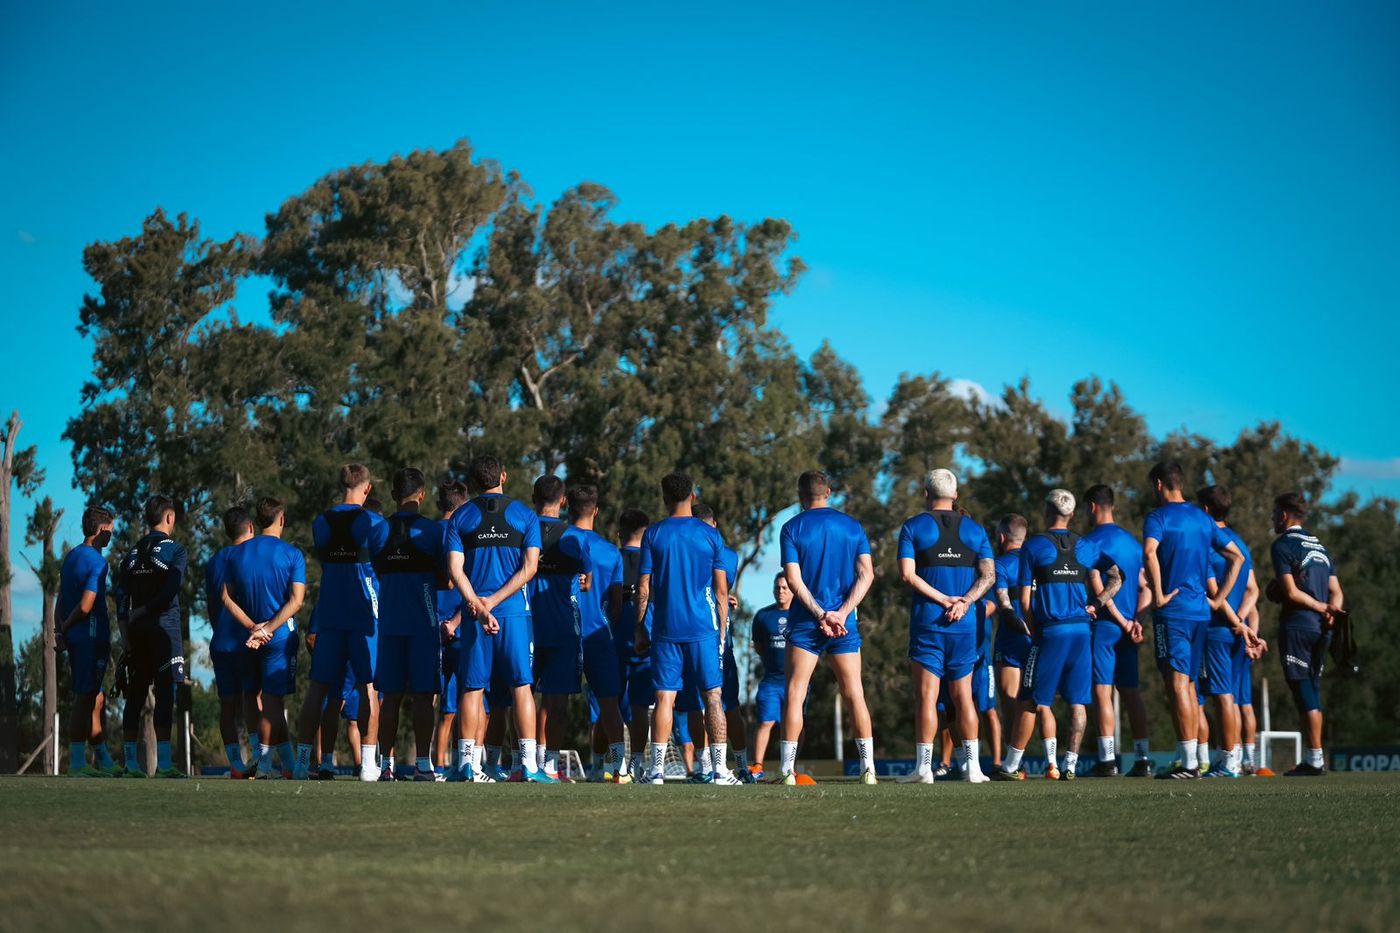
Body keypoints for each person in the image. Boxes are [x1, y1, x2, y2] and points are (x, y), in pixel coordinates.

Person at [997, 490, 1115, 782]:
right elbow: (1116, 576)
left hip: (1051, 631)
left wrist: (1035, 629)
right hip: (1081, 631)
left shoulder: (1034, 546)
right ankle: (1070, 766)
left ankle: (1011, 766)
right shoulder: (1085, 546)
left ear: (1046, 511)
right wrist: (1097, 604)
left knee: (1029, 697)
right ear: (1072, 515)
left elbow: (1024, 602)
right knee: (1078, 701)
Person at [443, 455, 548, 783]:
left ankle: (466, 766)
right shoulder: (524, 515)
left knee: (472, 688)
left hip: (475, 615)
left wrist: (478, 603)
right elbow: (530, 569)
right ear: (503, 475)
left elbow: (454, 570)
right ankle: (528, 767)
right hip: (513, 613)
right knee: (521, 685)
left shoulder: (460, 517)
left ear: (473, 482)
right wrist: (494, 602)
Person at [634, 471, 740, 785]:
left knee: (664, 699)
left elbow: (643, 589)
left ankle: (655, 772)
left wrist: (640, 628)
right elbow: (721, 591)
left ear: (665, 498)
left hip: (665, 628)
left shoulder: (653, 534)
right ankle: (721, 770)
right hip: (703, 628)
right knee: (713, 696)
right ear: (693, 496)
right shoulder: (710, 535)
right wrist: (721, 630)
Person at [1142, 461, 1246, 779]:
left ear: (1159, 485)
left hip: (1172, 612)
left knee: (1177, 685)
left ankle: (1188, 763)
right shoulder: (1203, 518)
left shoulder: (1158, 517)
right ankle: (1190, 759)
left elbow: (1149, 553)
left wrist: (1158, 595)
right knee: (1187, 685)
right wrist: (1217, 599)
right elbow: (1236, 557)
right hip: (1201, 613)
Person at [777, 470, 877, 785]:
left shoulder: (791, 527)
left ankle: (786, 772)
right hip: (844, 625)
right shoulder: (853, 526)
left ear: (800, 494)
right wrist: (842, 613)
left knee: (794, 694)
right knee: (854, 694)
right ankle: (868, 770)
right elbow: (867, 575)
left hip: (807, 622)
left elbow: (793, 579)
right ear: (829, 492)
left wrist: (822, 613)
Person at [895, 469, 994, 784]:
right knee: (963, 695)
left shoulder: (913, 527)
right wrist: (964, 602)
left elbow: (907, 575)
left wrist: (943, 600)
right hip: (966, 626)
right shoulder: (977, 531)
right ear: (956, 495)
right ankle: (974, 769)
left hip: (929, 623)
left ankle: (924, 769)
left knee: (926, 696)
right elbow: (989, 576)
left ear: (926, 493)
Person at [294, 464, 390, 781]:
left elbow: (326, 558)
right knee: (369, 689)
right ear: (368, 488)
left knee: (318, 689)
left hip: (330, 614)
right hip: (363, 616)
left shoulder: (321, 522)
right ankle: (366, 765)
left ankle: (303, 762)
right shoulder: (375, 523)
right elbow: (382, 568)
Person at [373, 468, 450, 783]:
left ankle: (385, 766)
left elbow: (377, 571)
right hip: (423, 622)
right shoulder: (433, 532)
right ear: (422, 494)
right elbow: (446, 580)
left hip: (390, 622)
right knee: (423, 696)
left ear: (393, 495)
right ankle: (423, 765)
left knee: (389, 697)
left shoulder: (377, 531)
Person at [222, 496, 306, 781]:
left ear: (256, 522)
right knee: (273, 705)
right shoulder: (292, 554)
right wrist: (267, 629)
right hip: (278, 637)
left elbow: (226, 599)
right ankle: (266, 764)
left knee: (252, 698)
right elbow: (296, 601)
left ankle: (288, 764)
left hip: (247, 638)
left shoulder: (235, 554)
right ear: (281, 520)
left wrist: (252, 628)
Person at [1267, 492, 1343, 777]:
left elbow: (1290, 592)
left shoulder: (1283, 545)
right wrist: (1331, 612)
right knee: (1312, 687)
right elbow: (1337, 591)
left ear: (1285, 515)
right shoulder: (1321, 547)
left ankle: (1314, 760)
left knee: (1302, 689)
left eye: (1275, 513)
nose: (1273, 518)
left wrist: (1319, 606)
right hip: (1324, 628)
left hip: (1299, 624)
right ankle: (1313, 758)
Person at [1081, 485, 1154, 778]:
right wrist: (1138, 620)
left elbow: (1100, 589)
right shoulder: (1133, 543)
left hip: (1106, 625)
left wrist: (1123, 621)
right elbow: (1145, 585)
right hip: (1130, 628)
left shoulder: (1089, 542)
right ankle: (1143, 758)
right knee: (1131, 692)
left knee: (1102, 690)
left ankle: (1107, 760)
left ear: (1092, 507)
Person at [115, 495, 189, 778]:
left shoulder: (131, 554)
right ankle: (165, 765)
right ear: (169, 518)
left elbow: (121, 601)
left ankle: (131, 764)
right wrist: (146, 609)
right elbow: (170, 592)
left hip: (136, 633)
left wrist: (125, 636)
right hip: (164, 631)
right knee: (165, 695)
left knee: (135, 695)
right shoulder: (176, 551)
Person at [529, 475, 593, 781]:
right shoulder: (576, 537)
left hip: (526, 625)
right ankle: (550, 766)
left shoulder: (522, 532)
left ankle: (523, 762)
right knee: (557, 701)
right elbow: (588, 580)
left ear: (533, 498)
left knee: (521, 693)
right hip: (564, 627)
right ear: (564, 501)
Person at [1196, 485, 1262, 778]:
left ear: (1206, 511)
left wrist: (1236, 623)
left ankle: (1229, 762)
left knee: (1221, 696)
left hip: (1218, 631)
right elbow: (1253, 590)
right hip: (1235, 632)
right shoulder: (1241, 544)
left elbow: (1213, 594)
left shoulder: (1210, 545)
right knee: (1232, 698)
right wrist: (1244, 623)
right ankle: (1232, 760)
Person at [569, 484, 631, 783]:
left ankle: (539, 763)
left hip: (562, 631)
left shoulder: (558, 541)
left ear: (568, 506)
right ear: (596, 511)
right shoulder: (610, 551)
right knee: (610, 702)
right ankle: (616, 767)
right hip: (599, 634)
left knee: (548, 699)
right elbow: (617, 605)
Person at [694, 503, 756, 782]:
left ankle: (706, 765)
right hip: (719, 633)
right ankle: (739, 764)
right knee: (727, 703)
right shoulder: (727, 555)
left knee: (697, 703)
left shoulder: (687, 551)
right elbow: (721, 590)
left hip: (693, 630)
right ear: (715, 525)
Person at [56, 505, 119, 777]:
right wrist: (66, 628)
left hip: (77, 638)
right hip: (90, 638)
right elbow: (85, 606)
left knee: (97, 698)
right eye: (111, 532)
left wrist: (60, 630)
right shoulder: (97, 562)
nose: (111, 538)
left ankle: (102, 758)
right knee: (84, 698)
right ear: (102, 530)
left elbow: (60, 601)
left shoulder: (70, 558)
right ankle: (77, 763)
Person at [206, 507, 260, 778]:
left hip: (221, 642)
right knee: (253, 699)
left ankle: (236, 764)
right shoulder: (252, 556)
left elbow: (211, 605)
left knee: (227, 704)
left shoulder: (214, 561)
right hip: (247, 640)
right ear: (250, 527)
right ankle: (259, 758)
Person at [611, 508, 654, 780]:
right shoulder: (655, 562)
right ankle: (637, 763)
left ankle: (607, 765)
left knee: (608, 701)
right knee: (640, 705)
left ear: (619, 534)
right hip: (644, 631)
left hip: (612, 632)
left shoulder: (609, 557)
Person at [433, 481, 469, 776]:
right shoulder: (466, 532)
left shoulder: (426, 532)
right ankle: (468, 762)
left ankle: (436, 762)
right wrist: (456, 621)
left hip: (431, 624)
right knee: (470, 694)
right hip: (461, 623)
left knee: (432, 700)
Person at [990, 514, 1031, 757]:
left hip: (1011, 638)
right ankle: (1051, 762)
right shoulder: (1038, 561)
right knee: (1039, 701)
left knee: (1009, 700)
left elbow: (1001, 607)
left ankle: (1014, 761)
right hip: (1038, 636)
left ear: (1003, 537)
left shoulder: (1000, 564)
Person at [749, 573, 793, 779]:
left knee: (795, 724)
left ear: (793, 589)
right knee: (766, 722)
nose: (780, 591)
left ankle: (791, 766)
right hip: (770, 681)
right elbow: (759, 647)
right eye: (777, 587)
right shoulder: (762, 616)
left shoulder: (801, 614)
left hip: (796, 682)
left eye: (785, 587)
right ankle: (758, 766)